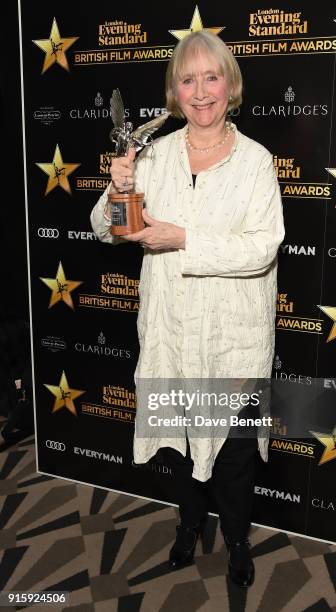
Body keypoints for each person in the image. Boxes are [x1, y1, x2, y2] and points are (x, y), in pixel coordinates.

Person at [90, 30, 284, 588]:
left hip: (232, 340)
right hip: (173, 332)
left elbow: (262, 247)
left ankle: (239, 543)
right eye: (188, 79)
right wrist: (115, 189)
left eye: (212, 77)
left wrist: (182, 238)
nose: (201, 92)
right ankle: (188, 527)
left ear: (231, 85)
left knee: (234, 457)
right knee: (180, 442)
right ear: (175, 91)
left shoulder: (255, 162)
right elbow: (105, 231)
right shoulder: (152, 153)